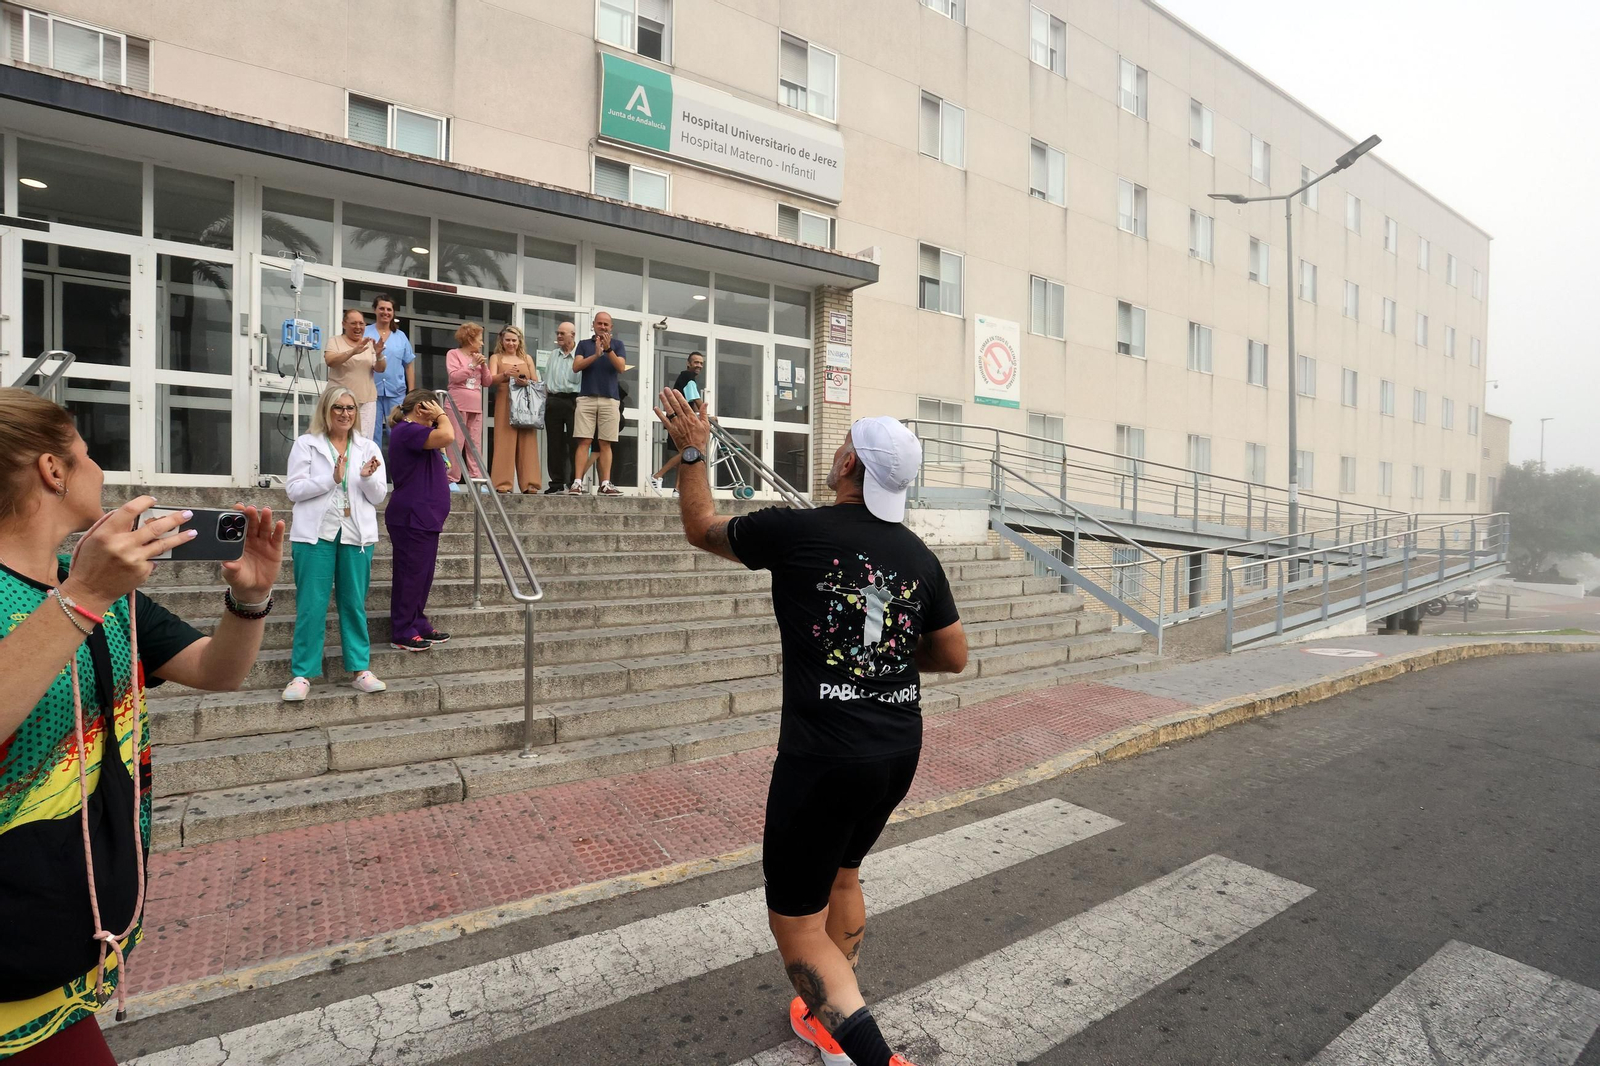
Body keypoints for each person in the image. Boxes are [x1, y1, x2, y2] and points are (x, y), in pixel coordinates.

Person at [656, 394, 967, 1066]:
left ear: (850, 461)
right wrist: (878, 652)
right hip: (895, 749)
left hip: (823, 758)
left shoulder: (797, 532)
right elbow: (953, 656)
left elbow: (701, 525)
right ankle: (828, 1016)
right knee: (845, 874)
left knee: (796, 926)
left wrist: (691, 451)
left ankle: (871, 1054)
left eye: (841, 444)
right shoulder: (918, 556)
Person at [0, 387, 283, 1063]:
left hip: (69, 939)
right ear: (53, 469)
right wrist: (83, 597)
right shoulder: (85, 591)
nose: (101, 468)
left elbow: (217, 670)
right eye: (88, 453)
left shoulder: (96, 589)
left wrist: (250, 599)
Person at [281, 385, 387, 701]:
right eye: (338, 408)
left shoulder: (368, 448)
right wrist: (331, 478)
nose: (344, 414)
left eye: (350, 408)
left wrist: (367, 477)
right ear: (326, 411)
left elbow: (379, 496)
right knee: (311, 605)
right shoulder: (306, 445)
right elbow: (294, 490)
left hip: (356, 535)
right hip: (315, 535)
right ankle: (301, 674)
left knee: (353, 603)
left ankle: (360, 669)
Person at [384, 390, 453, 653]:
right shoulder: (407, 430)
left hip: (426, 518)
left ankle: (417, 621)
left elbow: (443, 442)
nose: (437, 415)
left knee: (422, 576)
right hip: (412, 517)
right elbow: (448, 434)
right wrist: (442, 416)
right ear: (423, 408)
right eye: (433, 409)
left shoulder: (420, 435)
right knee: (410, 575)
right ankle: (402, 629)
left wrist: (436, 420)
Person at [569, 311, 626, 496]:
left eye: (606, 324)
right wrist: (595, 354)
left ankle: (606, 483)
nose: (602, 327)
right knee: (584, 441)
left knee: (605, 443)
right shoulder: (584, 344)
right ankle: (577, 482)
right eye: (599, 323)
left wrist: (608, 350)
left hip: (610, 399)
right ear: (593, 325)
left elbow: (621, 367)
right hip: (586, 397)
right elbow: (576, 367)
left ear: (611, 327)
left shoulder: (618, 345)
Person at [488, 325, 542, 495]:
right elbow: (490, 380)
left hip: (525, 403)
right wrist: (505, 375)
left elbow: (535, 381)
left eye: (514, 340)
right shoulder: (496, 357)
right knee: (505, 440)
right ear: (502, 341)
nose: (511, 343)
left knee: (528, 441)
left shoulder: (527, 358)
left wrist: (526, 382)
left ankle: (530, 484)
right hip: (505, 400)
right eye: (508, 340)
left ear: (519, 342)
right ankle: (503, 484)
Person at [324, 308, 387, 441]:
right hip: (339, 403)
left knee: (363, 440)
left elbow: (380, 369)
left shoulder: (369, 343)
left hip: (366, 401)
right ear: (344, 324)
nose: (358, 327)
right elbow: (330, 361)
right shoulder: (335, 341)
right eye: (353, 323)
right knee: (337, 437)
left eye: (361, 323)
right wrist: (353, 351)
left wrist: (379, 354)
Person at [649, 351, 705, 495]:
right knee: (688, 452)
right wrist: (707, 414)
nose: (699, 365)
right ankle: (657, 476)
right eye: (696, 362)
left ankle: (678, 489)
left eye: (701, 363)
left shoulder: (685, 378)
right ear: (688, 363)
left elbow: (690, 401)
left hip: (680, 419)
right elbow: (696, 399)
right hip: (680, 421)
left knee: (685, 454)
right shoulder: (688, 377)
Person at [445, 322, 492, 493]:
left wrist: (484, 366)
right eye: (480, 339)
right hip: (457, 404)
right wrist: (472, 365)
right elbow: (454, 377)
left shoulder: (478, 356)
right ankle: (451, 478)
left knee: (474, 443)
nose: (482, 343)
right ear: (470, 338)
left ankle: (476, 478)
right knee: (456, 441)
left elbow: (487, 382)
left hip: (475, 406)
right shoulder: (453, 354)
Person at [366, 294, 415, 450]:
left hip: (396, 392)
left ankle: (398, 473)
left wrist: (412, 393)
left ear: (393, 313)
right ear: (375, 310)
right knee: (372, 434)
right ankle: (374, 472)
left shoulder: (400, 337)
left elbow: (409, 365)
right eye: (382, 308)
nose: (385, 312)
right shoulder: (366, 333)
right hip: (371, 392)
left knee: (397, 433)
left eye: (389, 309)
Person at [542, 321, 580, 494]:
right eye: (557, 333)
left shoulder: (580, 356)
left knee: (575, 443)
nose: (558, 336)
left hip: (573, 400)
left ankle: (574, 481)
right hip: (554, 400)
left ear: (572, 335)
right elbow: (546, 380)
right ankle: (556, 482)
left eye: (562, 333)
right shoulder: (553, 355)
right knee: (554, 444)